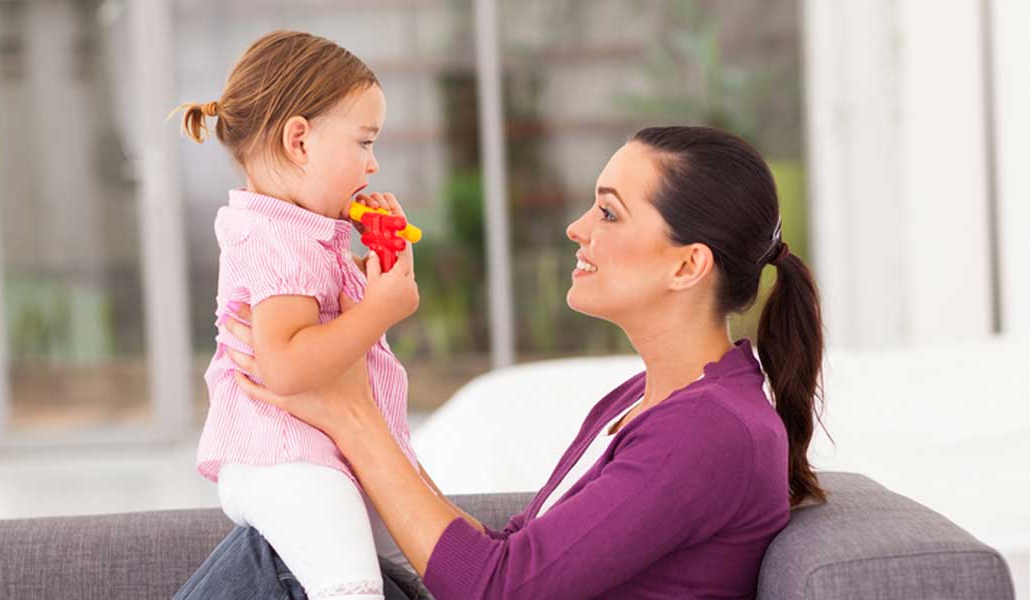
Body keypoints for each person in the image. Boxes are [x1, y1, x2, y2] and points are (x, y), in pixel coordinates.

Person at [177, 125, 827, 599]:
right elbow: (515, 553)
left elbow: (500, 589)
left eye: (608, 212)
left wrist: (352, 415)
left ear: (688, 265)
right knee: (288, 544)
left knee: (281, 567)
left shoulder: (708, 431)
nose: (578, 228)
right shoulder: (647, 400)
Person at [172, 30, 426, 599]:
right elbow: (286, 367)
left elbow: (325, 333)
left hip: (322, 455)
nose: (374, 161)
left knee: (414, 560)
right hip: (285, 460)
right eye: (364, 142)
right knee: (351, 586)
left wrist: (372, 273)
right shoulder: (273, 239)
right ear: (299, 141)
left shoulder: (304, 234)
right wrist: (381, 309)